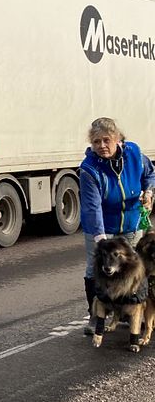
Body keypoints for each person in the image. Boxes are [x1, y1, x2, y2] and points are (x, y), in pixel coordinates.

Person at [79, 117, 155, 335]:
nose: (101, 146)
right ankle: (96, 316)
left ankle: (129, 312)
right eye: (96, 142)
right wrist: (102, 241)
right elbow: (92, 207)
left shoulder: (133, 154)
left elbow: (150, 173)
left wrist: (148, 192)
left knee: (133, 267)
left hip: (130, 221)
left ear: (117, 139)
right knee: (98, 269)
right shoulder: (89, 169)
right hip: (103, 224)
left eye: (106, 140)